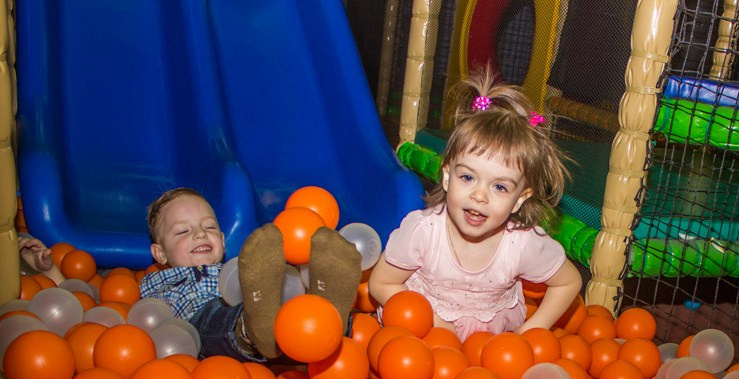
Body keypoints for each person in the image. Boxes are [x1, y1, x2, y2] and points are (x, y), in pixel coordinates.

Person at [367, 70, 582, 341]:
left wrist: (529, 331)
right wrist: (431, 322)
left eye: (500, 187)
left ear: (519, 199)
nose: (480, 196)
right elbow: (381, 282)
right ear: (447, 177)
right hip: (422, 335)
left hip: (489, 344)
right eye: (468, 177)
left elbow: (568, 281)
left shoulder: (522, 244)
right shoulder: (424, 232)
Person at [139, 187, 361, 361]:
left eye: (209, 227)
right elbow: (151, 319)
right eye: (183, 231)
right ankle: (251, 329)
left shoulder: (243, 267)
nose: (200, 234)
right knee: (208, 322)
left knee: (284, 296)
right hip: (203, 327)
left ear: (223, 241)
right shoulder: (159, 281)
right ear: (159, 253)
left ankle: (324, 313)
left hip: (268, 317)